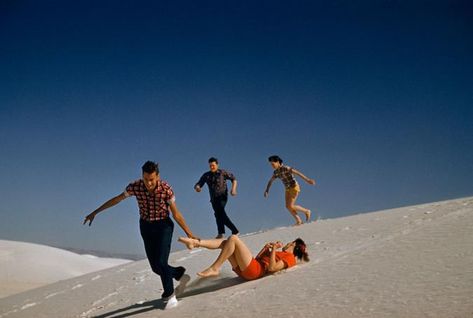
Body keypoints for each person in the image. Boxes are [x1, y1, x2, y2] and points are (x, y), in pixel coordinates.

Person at [83, 161, 197, 310]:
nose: (149, 183)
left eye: (152, 180)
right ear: (142, 177)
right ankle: (179, 273)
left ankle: (170, 296)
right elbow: (117, 199)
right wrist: (95, 212)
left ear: (158, 176)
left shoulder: (166, 189)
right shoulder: (135, 187)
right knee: (156, 268)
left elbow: (176, 213)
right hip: (146, 227)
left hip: (164, 226)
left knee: (162, 263)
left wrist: (189, 233)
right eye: (146, 179)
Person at [178, 235, 309, 280]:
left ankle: (215, 268)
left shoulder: (290, 258)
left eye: (290, 243)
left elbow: (273, 268)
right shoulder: (283, 254)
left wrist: (274, 249)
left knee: (233, 238)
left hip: (254, 272)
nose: (287, 244)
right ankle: (196, 243)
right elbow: (258, 260)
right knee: (226, 243)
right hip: (249, 269)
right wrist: (265, 249)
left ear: (294, 246)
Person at [264, 155, 316, 225]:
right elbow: (270, 181)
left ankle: (306, 211)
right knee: (288, 207)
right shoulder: (276, 172)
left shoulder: (286, 168)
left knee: (291, 206)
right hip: (287, 189)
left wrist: (308, 180)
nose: (272, 166)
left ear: (278, 162)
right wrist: (267, 190)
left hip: (294, 187)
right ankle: (299, 221)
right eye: (271, 164)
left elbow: (297, 173)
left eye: (273, 164)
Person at [194, 157, 239, 238]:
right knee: (218, 214)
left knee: (220, 213)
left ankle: (234, 230)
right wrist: (197, 187)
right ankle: (221, 233)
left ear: (217, 165)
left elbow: (234, 179)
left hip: (222, 196)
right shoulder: (206, 175)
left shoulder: (222, 172)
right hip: (213, 199)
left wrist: (233, 189)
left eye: (213, 165)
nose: (212, 167)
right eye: (210, 166)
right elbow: (199, 184)